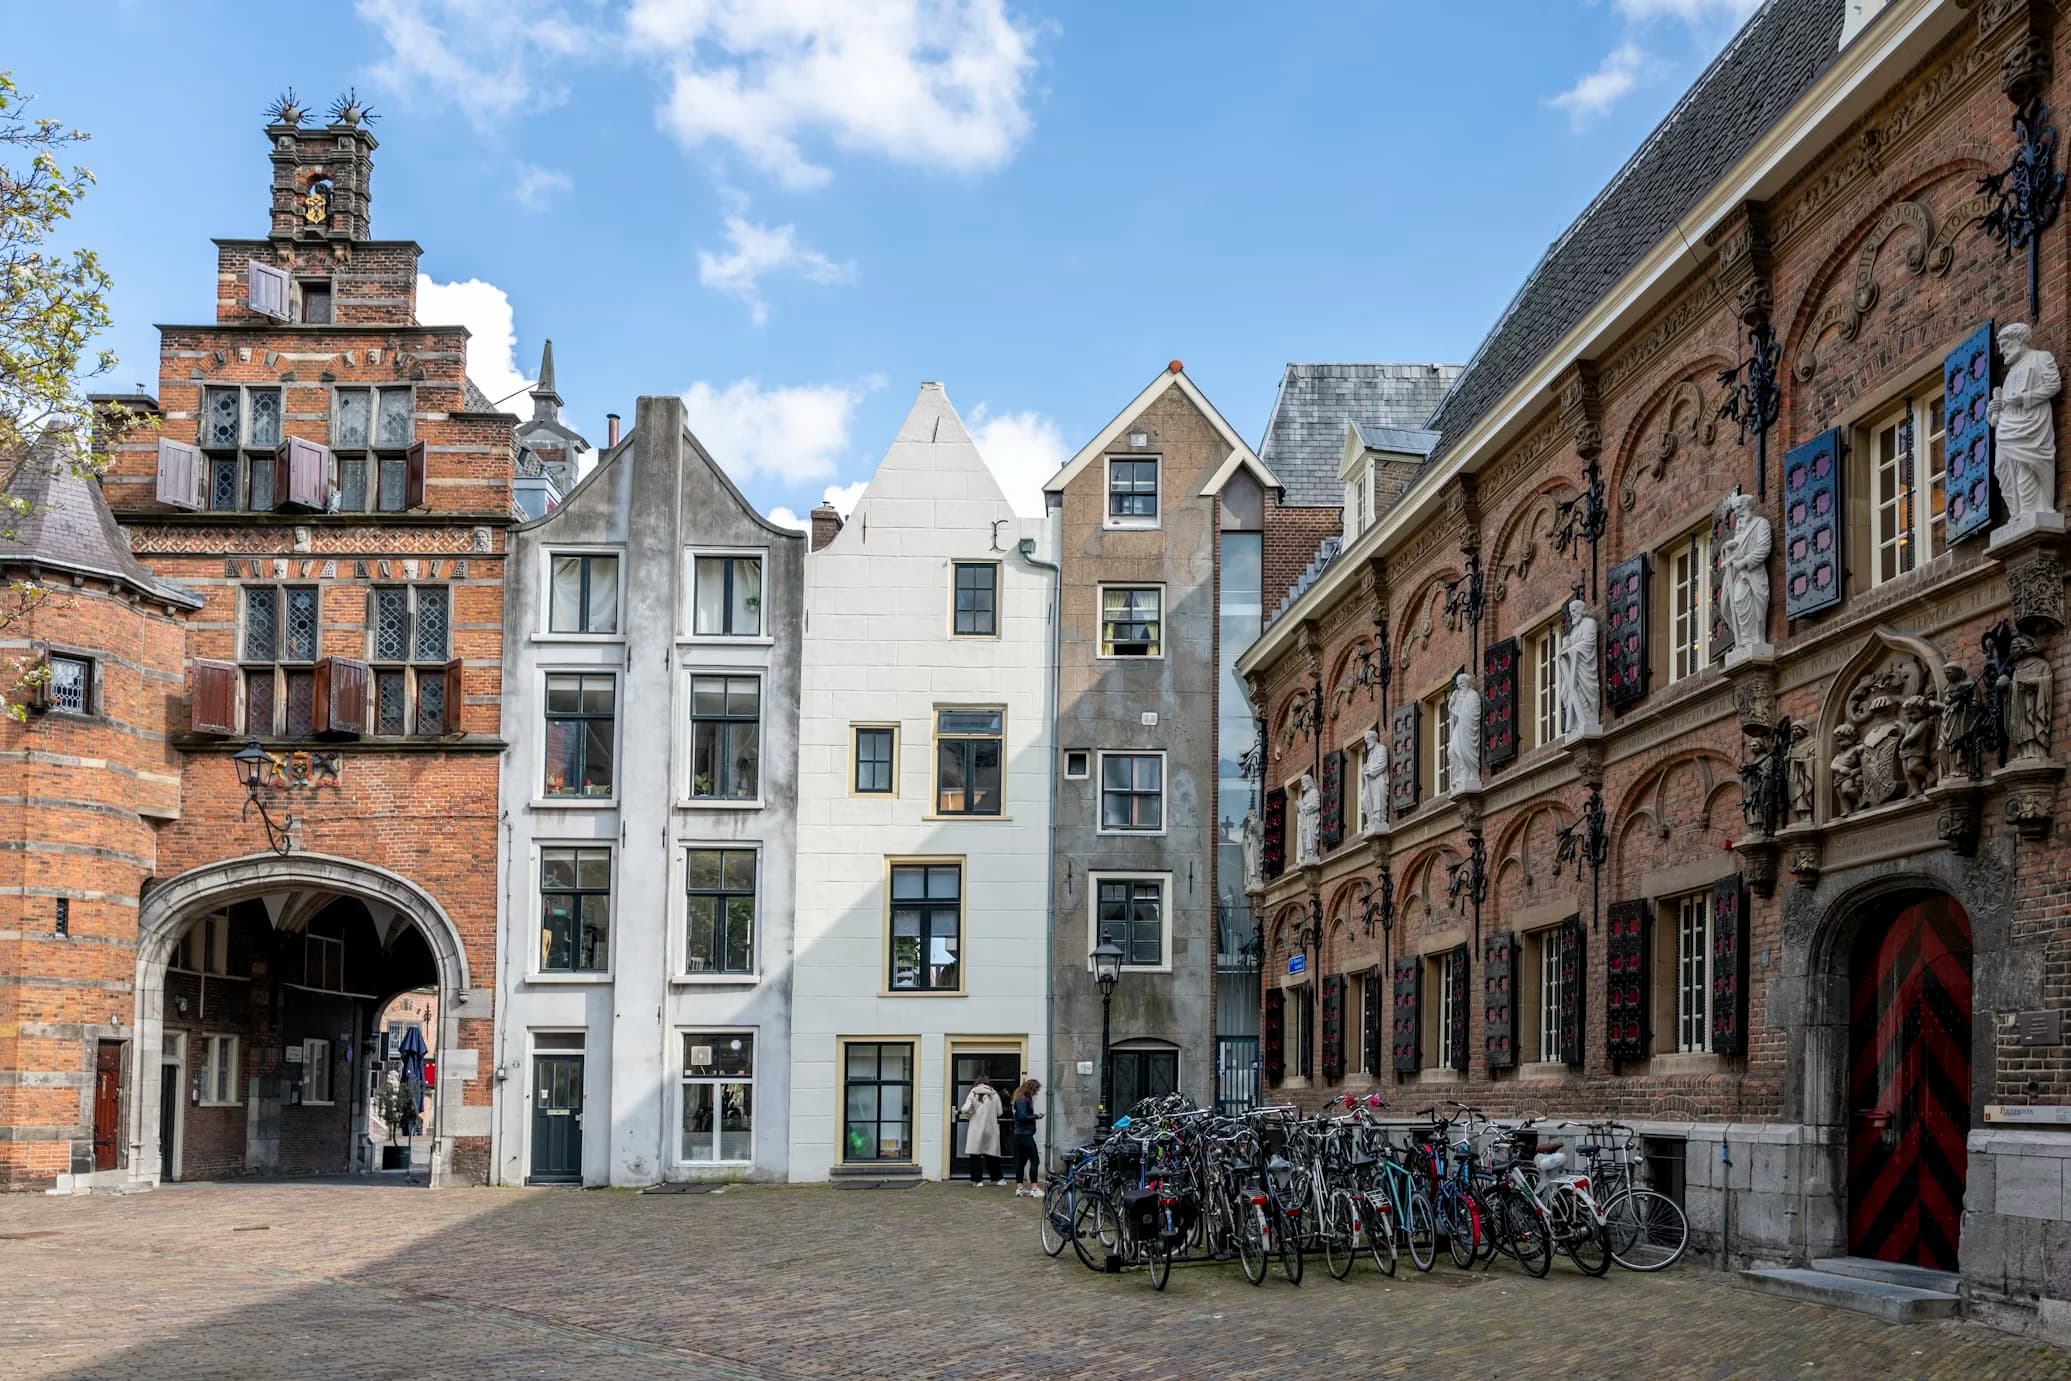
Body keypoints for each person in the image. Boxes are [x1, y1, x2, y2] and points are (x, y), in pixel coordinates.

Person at [957, 1074, 1004, 1186]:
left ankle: (977, 1181)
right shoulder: (994, 1094)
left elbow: (965, 1108)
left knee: (975, 1155)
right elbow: (1000, 1112)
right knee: (992, 1154)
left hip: (976, 1128)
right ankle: (998, 1179)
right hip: (991, 1128)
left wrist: (970, 1110)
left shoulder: (973, 1092)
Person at [1009, 1077, 1044, 1197]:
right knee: (1035, 1160)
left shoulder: (1018, 1098)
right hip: (1025, 1135)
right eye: (1036, 1090)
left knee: (1021, 1162)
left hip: (1019, 1134)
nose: (1036, 1093)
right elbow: (1022, 1116)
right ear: (1031, 1089)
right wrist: (1036, 1116)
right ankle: (1034, 1188)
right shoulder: (1023, 1099)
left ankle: (1020, 1188)